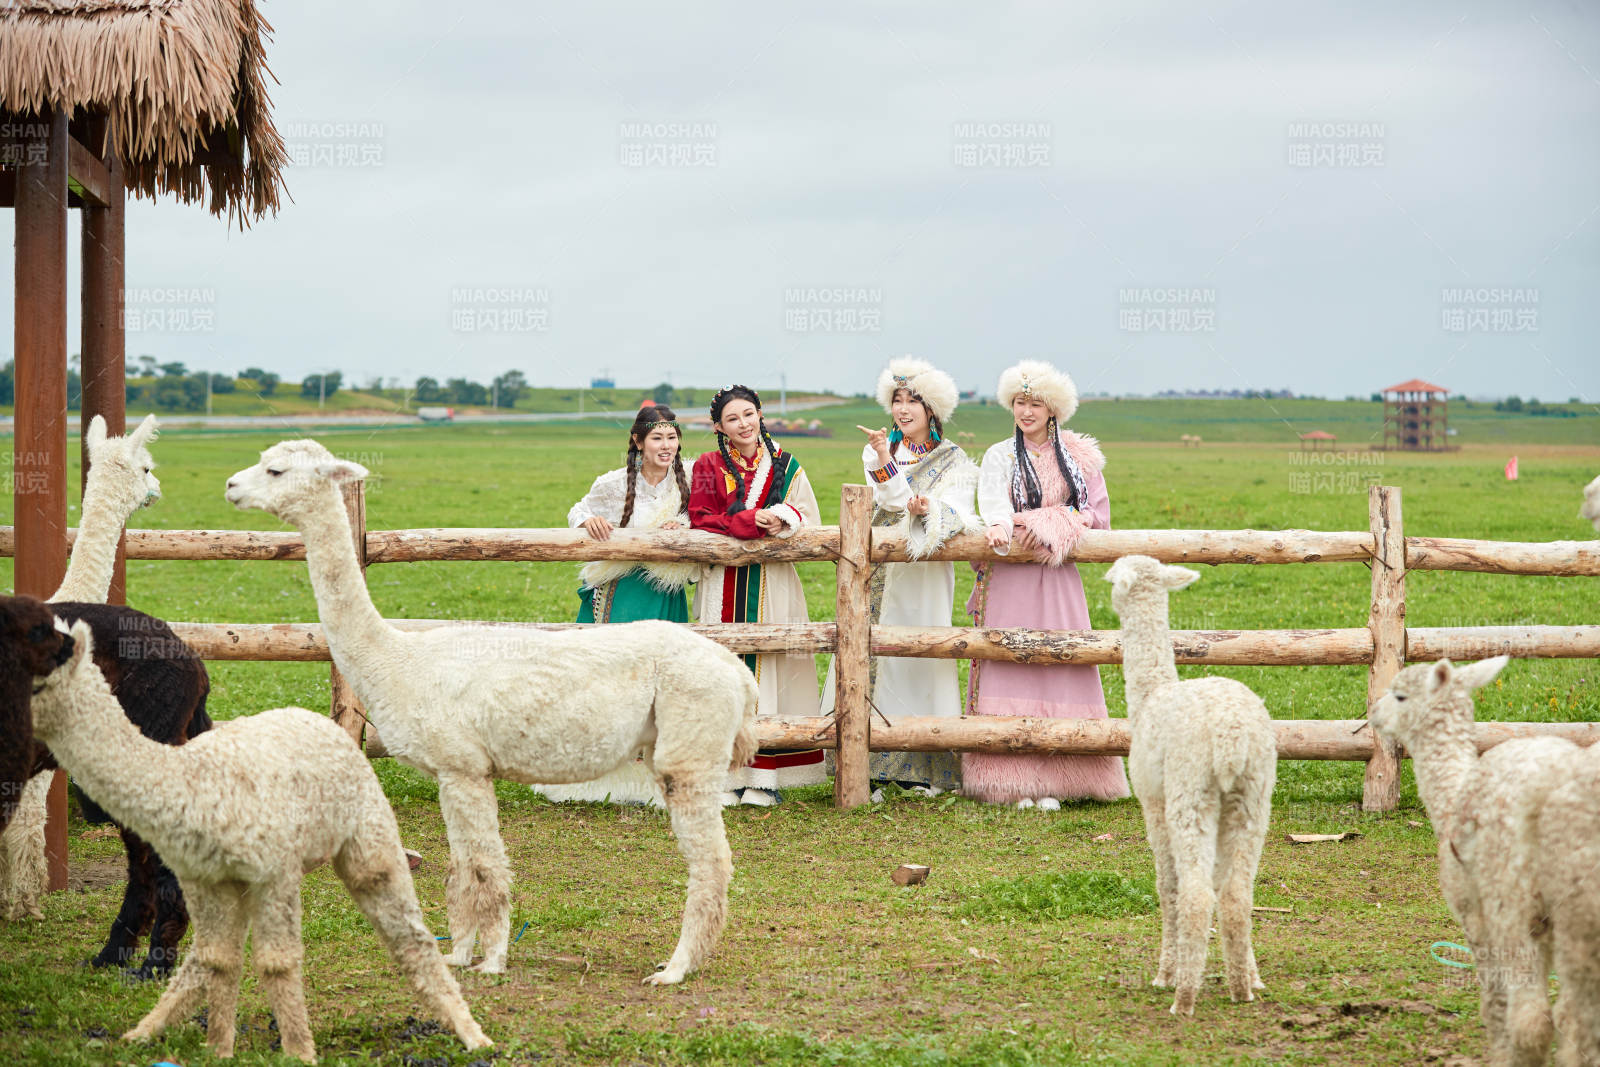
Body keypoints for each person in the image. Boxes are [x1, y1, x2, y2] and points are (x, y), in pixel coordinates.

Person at [966, 360, 1131, 809]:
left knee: (1060, 662)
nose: (1026, 410)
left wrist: (1047, 523)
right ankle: (1012, 782)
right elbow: (994, 501)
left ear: (1053, 408)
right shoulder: (1001, 454)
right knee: (1010, 657)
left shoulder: (1080, 459)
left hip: (1057, 579)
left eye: (1035, 402)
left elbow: (1096, 516)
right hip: (1011, 576)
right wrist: (1004, 524)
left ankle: (1065, 780)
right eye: (1020, 402)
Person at [821, 358, 977, 800]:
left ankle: (924, 765)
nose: (903, 408)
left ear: (933, 410)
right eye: (897, 399)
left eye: (914, 400)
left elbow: (960, 511)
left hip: (923, 565)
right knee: (865, 650)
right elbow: (889, 496)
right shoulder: (874, 451)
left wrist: (930, 509)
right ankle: (865, 762)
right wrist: (889, 464)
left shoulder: (955, 460)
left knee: (918, 650)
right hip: (878, 561)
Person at [531, 404, 697, 806]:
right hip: (620, 586)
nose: (666, 446)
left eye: (672, 437)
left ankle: (651, 768)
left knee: (661, 673)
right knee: (612, 671)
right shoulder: (614, 482)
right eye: (657, 438)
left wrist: (686, 524)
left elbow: (703, 515)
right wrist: (588, 522)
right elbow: (579, 509)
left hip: (664, 588)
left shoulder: (690, 478)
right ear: (638, 442)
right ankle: (596, 765)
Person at [689, 384, 823, 806]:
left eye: (749, 414)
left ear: (760, 414)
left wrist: (782, 516)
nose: (743, 424)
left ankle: (765, 777)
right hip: (722, 581)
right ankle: (725, 777)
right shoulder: (708, 465)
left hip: (772, 581)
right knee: (721, 670)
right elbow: (701, 517)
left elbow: (808, 515)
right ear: (718, 426)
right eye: (732, 418)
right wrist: (750, 522)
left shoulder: (786, 463)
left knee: (771, 665)